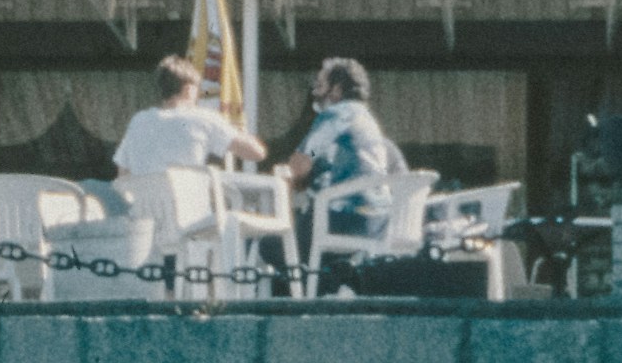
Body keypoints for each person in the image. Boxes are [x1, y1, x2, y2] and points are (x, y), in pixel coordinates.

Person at [279, 57, 409, 247]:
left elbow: (301, 163)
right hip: (377, 225)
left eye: (320, 85)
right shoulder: (368, 122)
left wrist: (296, 173)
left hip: (343, 221)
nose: (315, 92)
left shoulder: (338, 115)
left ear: (337, 90)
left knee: (268, 244)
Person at [114, 56, 255, 177]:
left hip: (144, 207)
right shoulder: (203, 118)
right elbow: (256, 153)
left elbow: (123, 173)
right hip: (191, 207)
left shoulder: (139, 121)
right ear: (188, 90)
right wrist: (236, 131)